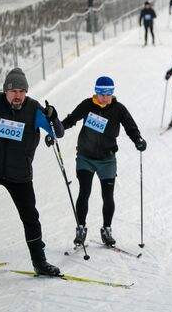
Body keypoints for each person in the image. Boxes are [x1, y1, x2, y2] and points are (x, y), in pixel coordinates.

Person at [0, 68, 64, 276]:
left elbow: (58, 132)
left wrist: (53, 117)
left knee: (30, 218)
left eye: (22, 91)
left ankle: (39, 263)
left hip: (20, 175)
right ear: (5, 91)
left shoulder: (34, 109)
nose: (18, 95)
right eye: (13, 91)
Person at [61, 77, 146, 247]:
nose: (105, 98)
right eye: (102, 94)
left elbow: (130, 127)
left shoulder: (118, 109)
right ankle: (81, 228)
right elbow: (71, 120)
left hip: (107, 159)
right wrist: (56, 130)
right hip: (85, 157)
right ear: (96, 93)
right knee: (84, 191)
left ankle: (107, 229)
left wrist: (138, 140)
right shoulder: (87, 105)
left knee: (107, 196)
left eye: (108, 94)